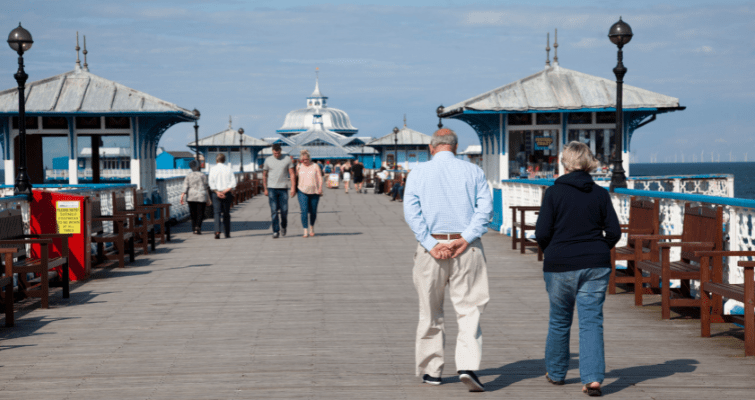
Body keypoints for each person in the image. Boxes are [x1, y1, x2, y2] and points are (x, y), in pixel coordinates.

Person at [403, 128, 492, 392]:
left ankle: (432, 370)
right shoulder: (473, 171)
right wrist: (465, 238)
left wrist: (430, 243)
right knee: (469, 308)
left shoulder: (417, 173)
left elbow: (412, 211)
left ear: (432, 147)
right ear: (454, 147)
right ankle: (466, 366)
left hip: (432, 247)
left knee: (430, 310)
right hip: (468, 248)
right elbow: (484, 210)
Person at [535, 141, 621, 397]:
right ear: (589, 163)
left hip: (560, 263)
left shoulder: (553, 193)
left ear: (564, 163)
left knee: (560, 319)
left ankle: (557, 372)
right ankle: (593, 379)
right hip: (595, 263)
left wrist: (552, 250)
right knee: (591, 321)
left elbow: (541, 232)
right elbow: (614, 232)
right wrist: (599, 248)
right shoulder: (600, 193)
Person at [263, 143, 295, 239]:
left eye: (278, 153)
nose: (276, 155)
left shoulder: (287, 159)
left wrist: (293, 187)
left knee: (284, 210)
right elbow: (264, 175)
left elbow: (292, 174)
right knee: (274, 211)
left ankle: (284, 225)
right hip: (271, 188)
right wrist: (265, 188)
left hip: (283, 188)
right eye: (275, 153)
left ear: (280, 151)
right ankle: (275, 231)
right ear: (272, 151)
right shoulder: (268, 160)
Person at [208, 153, 236, 239]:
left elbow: (211, 183)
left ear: (216, 161)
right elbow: (233, 183)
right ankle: (227, 233)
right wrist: (225, 191)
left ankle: (217, 232)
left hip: (216, 193)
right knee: (226, 213)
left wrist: (217, 192)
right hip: (226, 193)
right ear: (224, 160)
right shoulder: (229, 169)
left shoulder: (212, 169)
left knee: (217, 213)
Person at [296, 150, 323, 238]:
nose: (305, 162)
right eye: (303, 160)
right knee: (304, 210)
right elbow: (295, 177)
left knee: (313, 212)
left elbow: (319, 177)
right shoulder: (299, 166)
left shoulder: (315, 166)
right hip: (302, 191)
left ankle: (311, 227)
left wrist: (320, 188)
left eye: (306, 160)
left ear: (309, 159)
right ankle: (305, 230)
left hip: (314, 191)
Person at [180, 160, 209, 235]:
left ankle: (193, 229)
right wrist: (208, 198)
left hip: (191, 196)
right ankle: (198, 227)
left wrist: (182, 196)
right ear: (198, 166)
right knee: (200, 213)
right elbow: (206, 186)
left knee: (193, 213)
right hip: (201, 195)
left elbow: (185, 186)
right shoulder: (203, 175)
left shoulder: (188, 176)